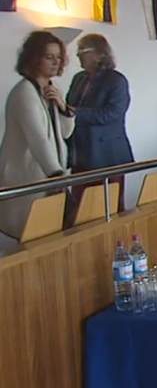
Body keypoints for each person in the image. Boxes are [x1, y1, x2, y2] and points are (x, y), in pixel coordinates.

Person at [0, 31, 74, 240]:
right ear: (34, 58)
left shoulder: (52, 88)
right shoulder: (24, 92)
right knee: (32, 236)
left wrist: (63, 107)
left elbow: (66, 132)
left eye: (58, 57)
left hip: (50, 175)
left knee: (52, 234)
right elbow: (38, 139)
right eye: (49, 57)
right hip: (30, 175)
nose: (55, 62)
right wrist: (56, 177)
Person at [65, 33, 133, 214]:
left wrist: (76, 112)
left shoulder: (116, 80)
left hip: (107, 156)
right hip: (81, 152)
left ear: (100, 54)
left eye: (83, 50)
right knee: (80, 208)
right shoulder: (79, 78)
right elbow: (69, 106)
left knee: (110, 207)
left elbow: (112, 113)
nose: (78, 54)